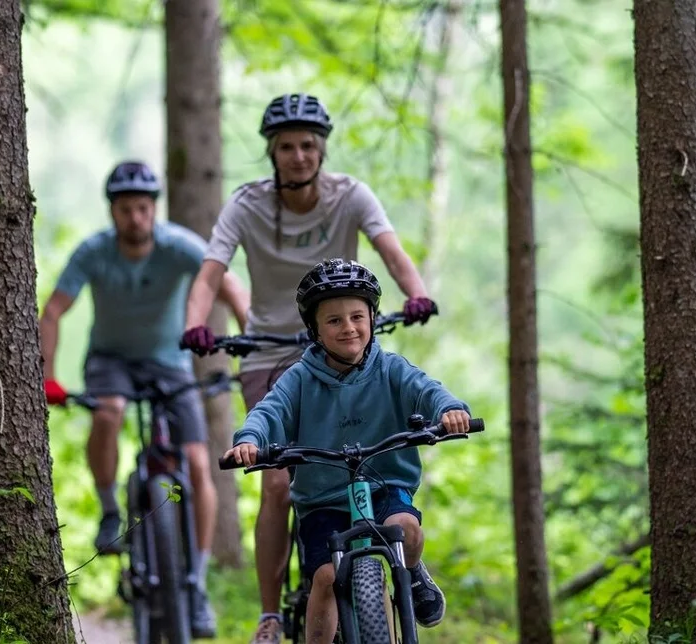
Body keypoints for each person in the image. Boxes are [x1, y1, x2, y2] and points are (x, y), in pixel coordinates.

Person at [176, 92, 439, 644]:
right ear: (272, 153)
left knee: (370, 451)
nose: (298, 155)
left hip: (338, 334)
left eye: (308, 145)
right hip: (271, 350)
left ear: (321, 150)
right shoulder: (247, 204)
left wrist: (416, 293)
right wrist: (196, 324)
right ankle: (270, 613)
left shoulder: (350, 196)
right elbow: (210, 271)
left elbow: (389, 250)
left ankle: (397, 566)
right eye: (287, 146)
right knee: (276, 483)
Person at [39, 160, 250, 637]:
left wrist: (248, 354)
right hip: (110, 360)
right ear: (112, 213)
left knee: (199, 462)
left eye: (142, 208)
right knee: (110, 412)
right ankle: (110, 509)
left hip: (169, 363)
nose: (135, 218)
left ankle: (194, 583)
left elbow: (229, 287)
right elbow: (53, 311)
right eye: (125, 209)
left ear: (154, 210)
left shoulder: (178, 246)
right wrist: (47, 376)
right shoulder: (94, 252)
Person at [222, 259, 468, 643]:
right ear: (315, 330)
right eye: (334, 320)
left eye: (357, 316)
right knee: (324, 577)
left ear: (372, 317)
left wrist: (450, 410)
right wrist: (249, 441)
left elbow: (427, 390)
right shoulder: (299, 379)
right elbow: (268, 411)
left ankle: (413, 572)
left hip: (385, 485)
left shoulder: (391, 369)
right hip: (322, 501)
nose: (349, 328)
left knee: (407, 531)